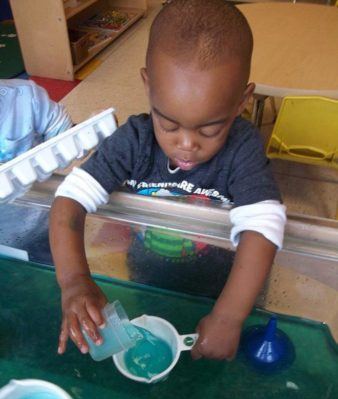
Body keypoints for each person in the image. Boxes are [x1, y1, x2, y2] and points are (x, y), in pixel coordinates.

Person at [49, 0, 286, 361]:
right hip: (149, 277)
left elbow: (265, 225)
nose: (186, 145)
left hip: (225, 288)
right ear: (148, 86)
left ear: (241, 101)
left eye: (211, 128)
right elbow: (69, 200)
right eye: (169, 124)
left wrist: (229, 315)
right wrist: (74, 281)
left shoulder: (243, 149)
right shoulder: (135, 141)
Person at [0, 79, 72, 263]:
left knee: (50, 276)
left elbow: (67, 139)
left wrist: (93, 129)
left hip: (37, 225)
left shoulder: (26, 97)